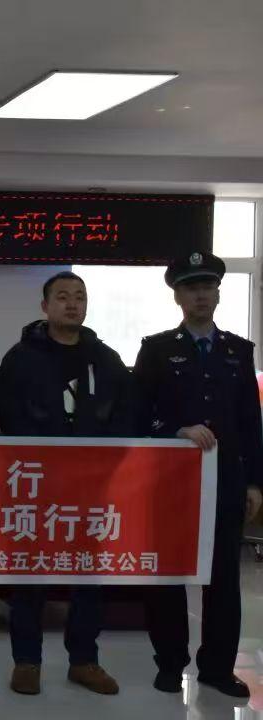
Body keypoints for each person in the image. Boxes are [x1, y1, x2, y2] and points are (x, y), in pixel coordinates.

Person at [0, 271, 132, 697]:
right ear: (45, 306)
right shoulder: (20, 358)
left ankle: (84, 660)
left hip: (92, 488)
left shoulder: (106, 359)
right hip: (36, 487)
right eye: (62, 297)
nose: (72, 304)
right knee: (29, 575)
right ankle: (27, 661)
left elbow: (126, 415)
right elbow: (8, 416)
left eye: (79, 297)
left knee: (89, 577)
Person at [136, 251, 263, 698]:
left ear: (218, 294)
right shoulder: (157, 349)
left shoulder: (238, 352)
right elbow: (139, 413)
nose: (201, 295)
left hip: (226, 480)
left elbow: (250, 423)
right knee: (169, 575)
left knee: (224, 577)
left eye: (208, 287)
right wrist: (176, 430)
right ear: (178, 297)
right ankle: (170, 663)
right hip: (172, 480)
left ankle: (217, 668)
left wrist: (255, 482)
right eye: (191, 288)